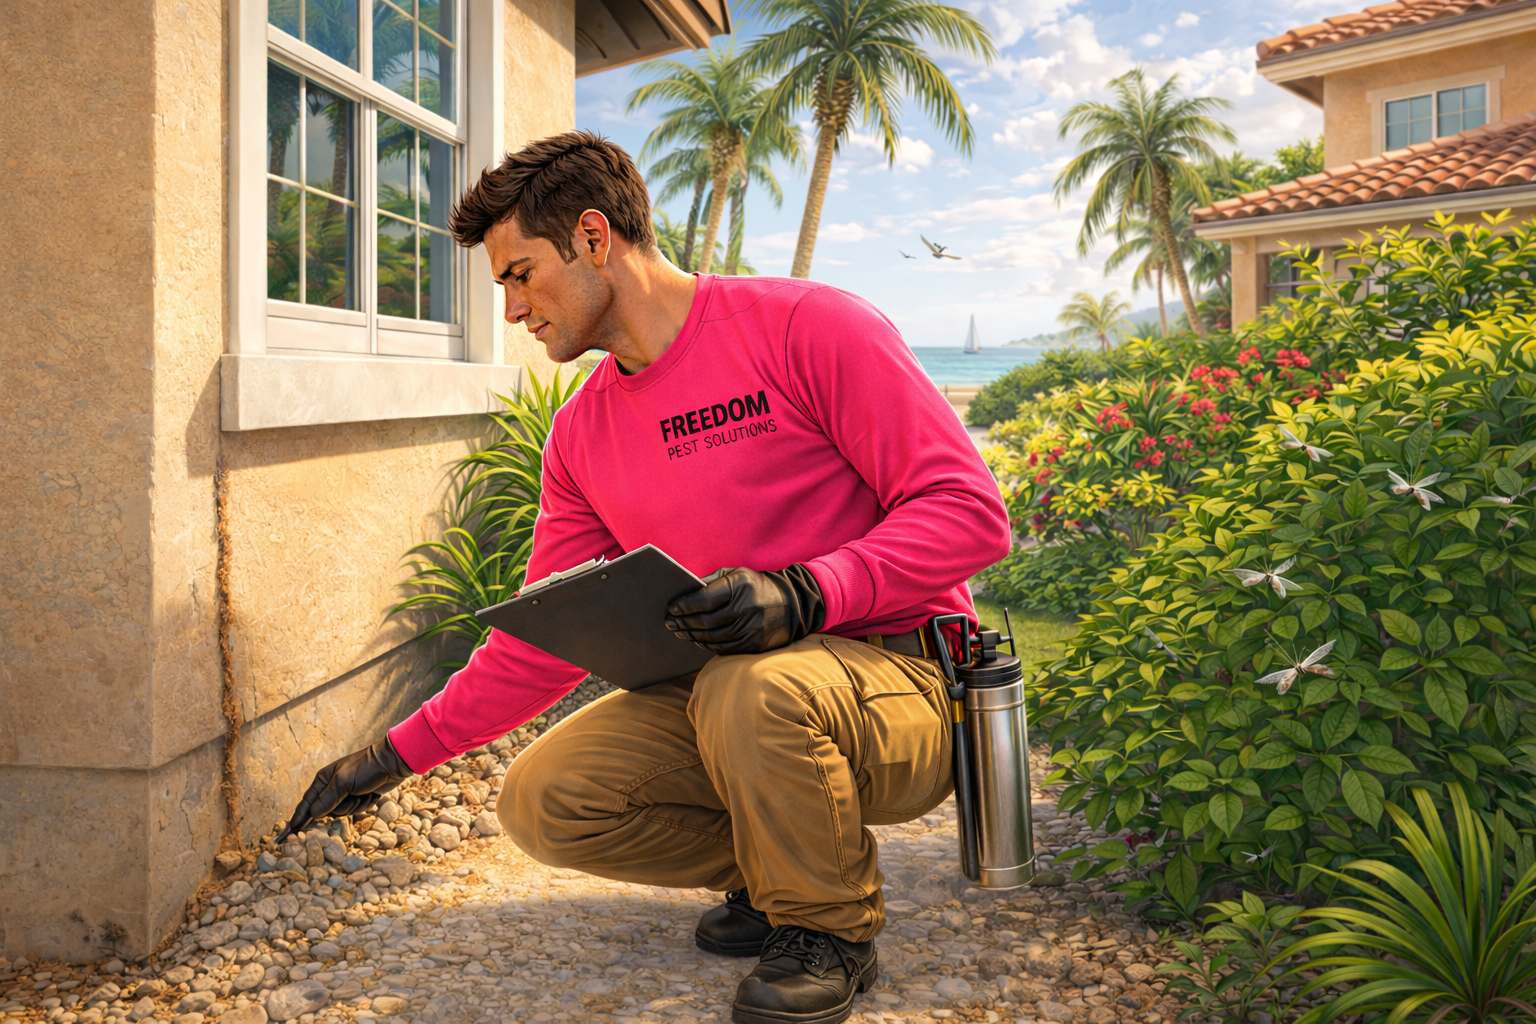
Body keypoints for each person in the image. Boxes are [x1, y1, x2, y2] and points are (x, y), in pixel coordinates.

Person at [281, 130, 1010, 1024]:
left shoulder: (806, 327)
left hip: (903, 680)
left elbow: (969, 511)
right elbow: (540, 643)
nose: (511, 310)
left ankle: (828, 930)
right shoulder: (583, 435)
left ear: (594, 238)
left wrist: (807, 592)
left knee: (753, 685)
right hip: (736, 701)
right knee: (547, 799)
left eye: (518, 275)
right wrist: (392, 756)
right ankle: (775, 872)